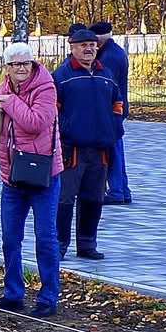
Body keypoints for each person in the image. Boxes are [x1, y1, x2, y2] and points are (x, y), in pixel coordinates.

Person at [0, 41, 61, 316]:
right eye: (16, 64)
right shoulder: (4, 87)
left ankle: (48, 297)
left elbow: (37, 122)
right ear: (7, 67)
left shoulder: (45, 88)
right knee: (10, 238)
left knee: (45, 237)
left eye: (26, 63)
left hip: (43, 176)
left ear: (33, 64)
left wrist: (10, 103)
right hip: (12, 177)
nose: (22, 68)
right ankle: (13, 293)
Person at [51, 24, 121, 261]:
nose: (89, 49)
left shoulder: (105, 74)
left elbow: (117, 104)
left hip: (100, 149)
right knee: (64, 198)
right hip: (72, 148)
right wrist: (61, 136)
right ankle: (59, 245)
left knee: (94, 198)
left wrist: (113, 129)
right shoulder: (62, 76)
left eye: (92, 45)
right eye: (84, 45)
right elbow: (52, 111)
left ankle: (87, 244)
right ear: (72, 48)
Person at [91, 21, 132, 204]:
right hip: (117, 109)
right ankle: (122, 189)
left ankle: (116, 190)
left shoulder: (108, 57)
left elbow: (106, 86)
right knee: (116, 149)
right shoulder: (116, 52)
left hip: (111, 111)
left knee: (112, 151)